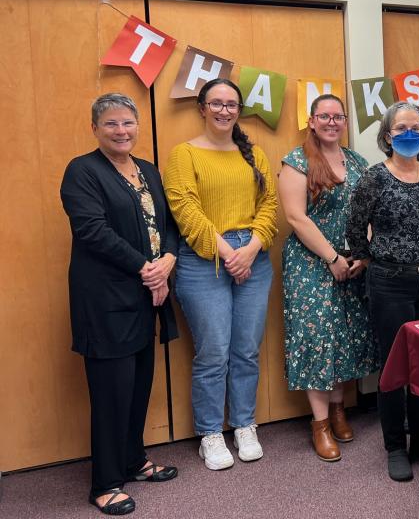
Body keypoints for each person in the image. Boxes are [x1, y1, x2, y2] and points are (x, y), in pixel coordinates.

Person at [60, 93, 179, 516]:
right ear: (95, 128)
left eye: (128, 123)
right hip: (106, 299)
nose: (121, 130)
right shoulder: (83, 171)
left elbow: (167, 224)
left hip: (148, 296)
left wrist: (166, 261)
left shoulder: (147, 170)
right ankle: (105, 482)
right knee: (111, 393)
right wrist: (147, 268)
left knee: (137, 385)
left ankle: (133, 460)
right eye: (111, 124)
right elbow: (92, 231)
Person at [164, 78, 278, 471]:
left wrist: (251, 248)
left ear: (239, 110)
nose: (224, 110)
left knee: (246, 350)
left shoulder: (254, 155)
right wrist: (229, 252)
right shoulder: (184, 154)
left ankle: (244, 424)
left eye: (231, 104)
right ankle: (210, 433)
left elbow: (269, 206)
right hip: (203, 260)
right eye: (216, 103)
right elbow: (184, 209)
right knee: (213, 353)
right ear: (202, 108)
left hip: (254, 257)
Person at [346, 102, 419, 482]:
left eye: (415, 127)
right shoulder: (374, 177)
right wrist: (370, 257)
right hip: (390, 281)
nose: (409, 134)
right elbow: (356, 227)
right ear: (387, 136)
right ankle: (395, 444)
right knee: (395, 365)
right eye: (401, 128)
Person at [278, 94, 378, 463]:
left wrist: (362, 255)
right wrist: (332, 257)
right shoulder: (298, 160)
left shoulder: (357, 161)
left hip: (351, 261)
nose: (332, 122)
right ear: (312, 120)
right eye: (324, 116)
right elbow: (296, 217)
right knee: (317, 338)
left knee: (346, 335)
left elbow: (369, 212)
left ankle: (339, 410)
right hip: (311, 262)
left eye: (338, 116)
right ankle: (320, 423)